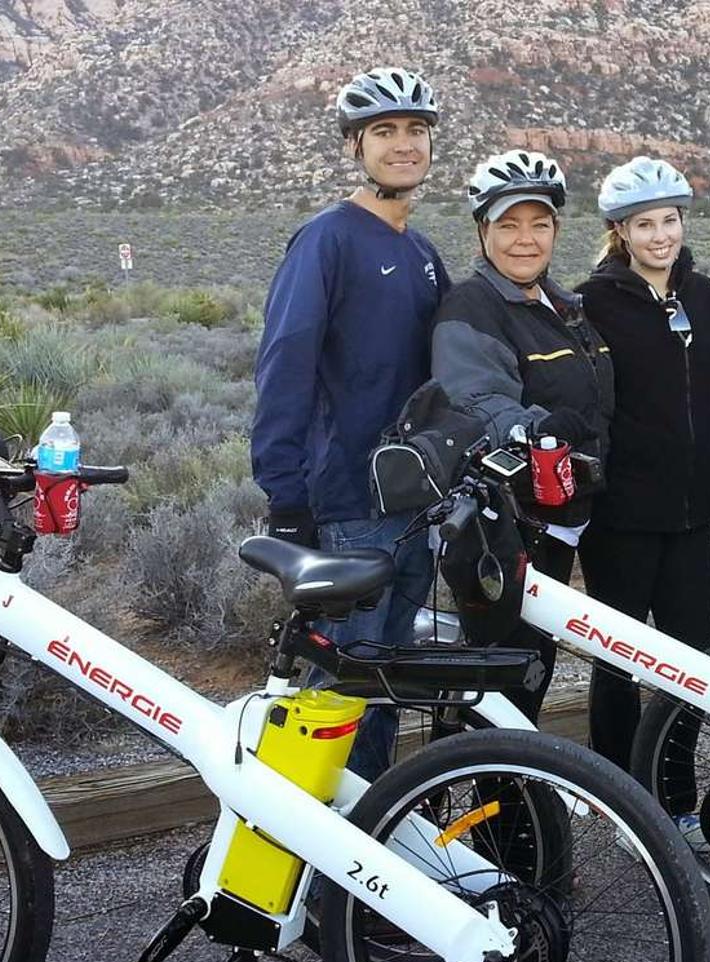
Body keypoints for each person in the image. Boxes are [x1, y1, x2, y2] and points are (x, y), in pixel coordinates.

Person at [250, 66, 447, 779]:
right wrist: (285, 494)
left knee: (382, 690)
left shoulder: (423, 254)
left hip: (413, 506)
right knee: (334, 698)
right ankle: (299, 861)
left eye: (415, 131)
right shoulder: (328, 240)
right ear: (355, 146)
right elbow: (285, 365)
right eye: (385, 132)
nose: (403, 145)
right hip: (348, 507)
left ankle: (365, 852)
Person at [431, 149, 613, 721]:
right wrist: (537, 430)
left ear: (557, 228)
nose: (524, 239)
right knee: (502, 680)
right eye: (508, 225)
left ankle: (512, 801)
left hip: (562, 516)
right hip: (510, 522)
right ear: (483, 230)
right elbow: (477, 398)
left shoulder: (561, 303)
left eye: (539, 223)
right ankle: (482, 802)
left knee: (532, 670)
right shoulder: (473, 305)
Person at [573, 157, 710, 763]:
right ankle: (617, 790)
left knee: (693, 662)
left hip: (692, 516)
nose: (660, 235)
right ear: (621, 232)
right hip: (620, 520)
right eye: (644, 225)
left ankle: (677, 786)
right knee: (618, 662)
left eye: (669, 220)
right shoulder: (590, 305)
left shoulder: (705, 297)